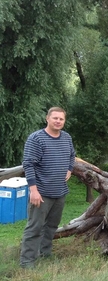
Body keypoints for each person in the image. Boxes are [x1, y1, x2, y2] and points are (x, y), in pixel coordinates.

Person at [19, 107, 75, 269]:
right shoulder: (36, 139)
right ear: (47, 119)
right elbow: (28, 164)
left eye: (61, 119)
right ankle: (27, 261)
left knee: (51, 226)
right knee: (34, 227)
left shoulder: (66, 138)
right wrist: (33, 190)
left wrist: (69, 169)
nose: (58, 121)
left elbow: (72, 155)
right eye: (55, 118)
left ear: (64, 121)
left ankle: (45, 254)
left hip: (60, 192)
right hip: (41, 193)